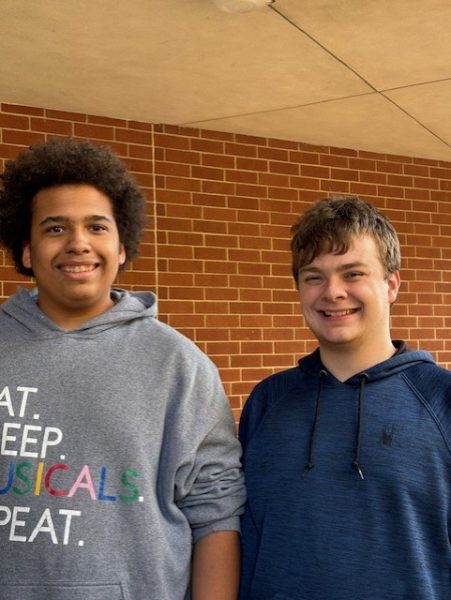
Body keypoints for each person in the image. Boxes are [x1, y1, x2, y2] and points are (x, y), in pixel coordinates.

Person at [0, 137, 246, 600]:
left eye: (97, 227)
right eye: (55, 229)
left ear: (122, 247)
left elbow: (215, 510)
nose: (78, 244)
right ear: (27, 250)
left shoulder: (179, 365)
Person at [239, 196, 451, 600]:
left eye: (352, 273)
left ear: (391, 284)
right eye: (314, 276)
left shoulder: (441, 400)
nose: (333, 292)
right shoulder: (268, 401)